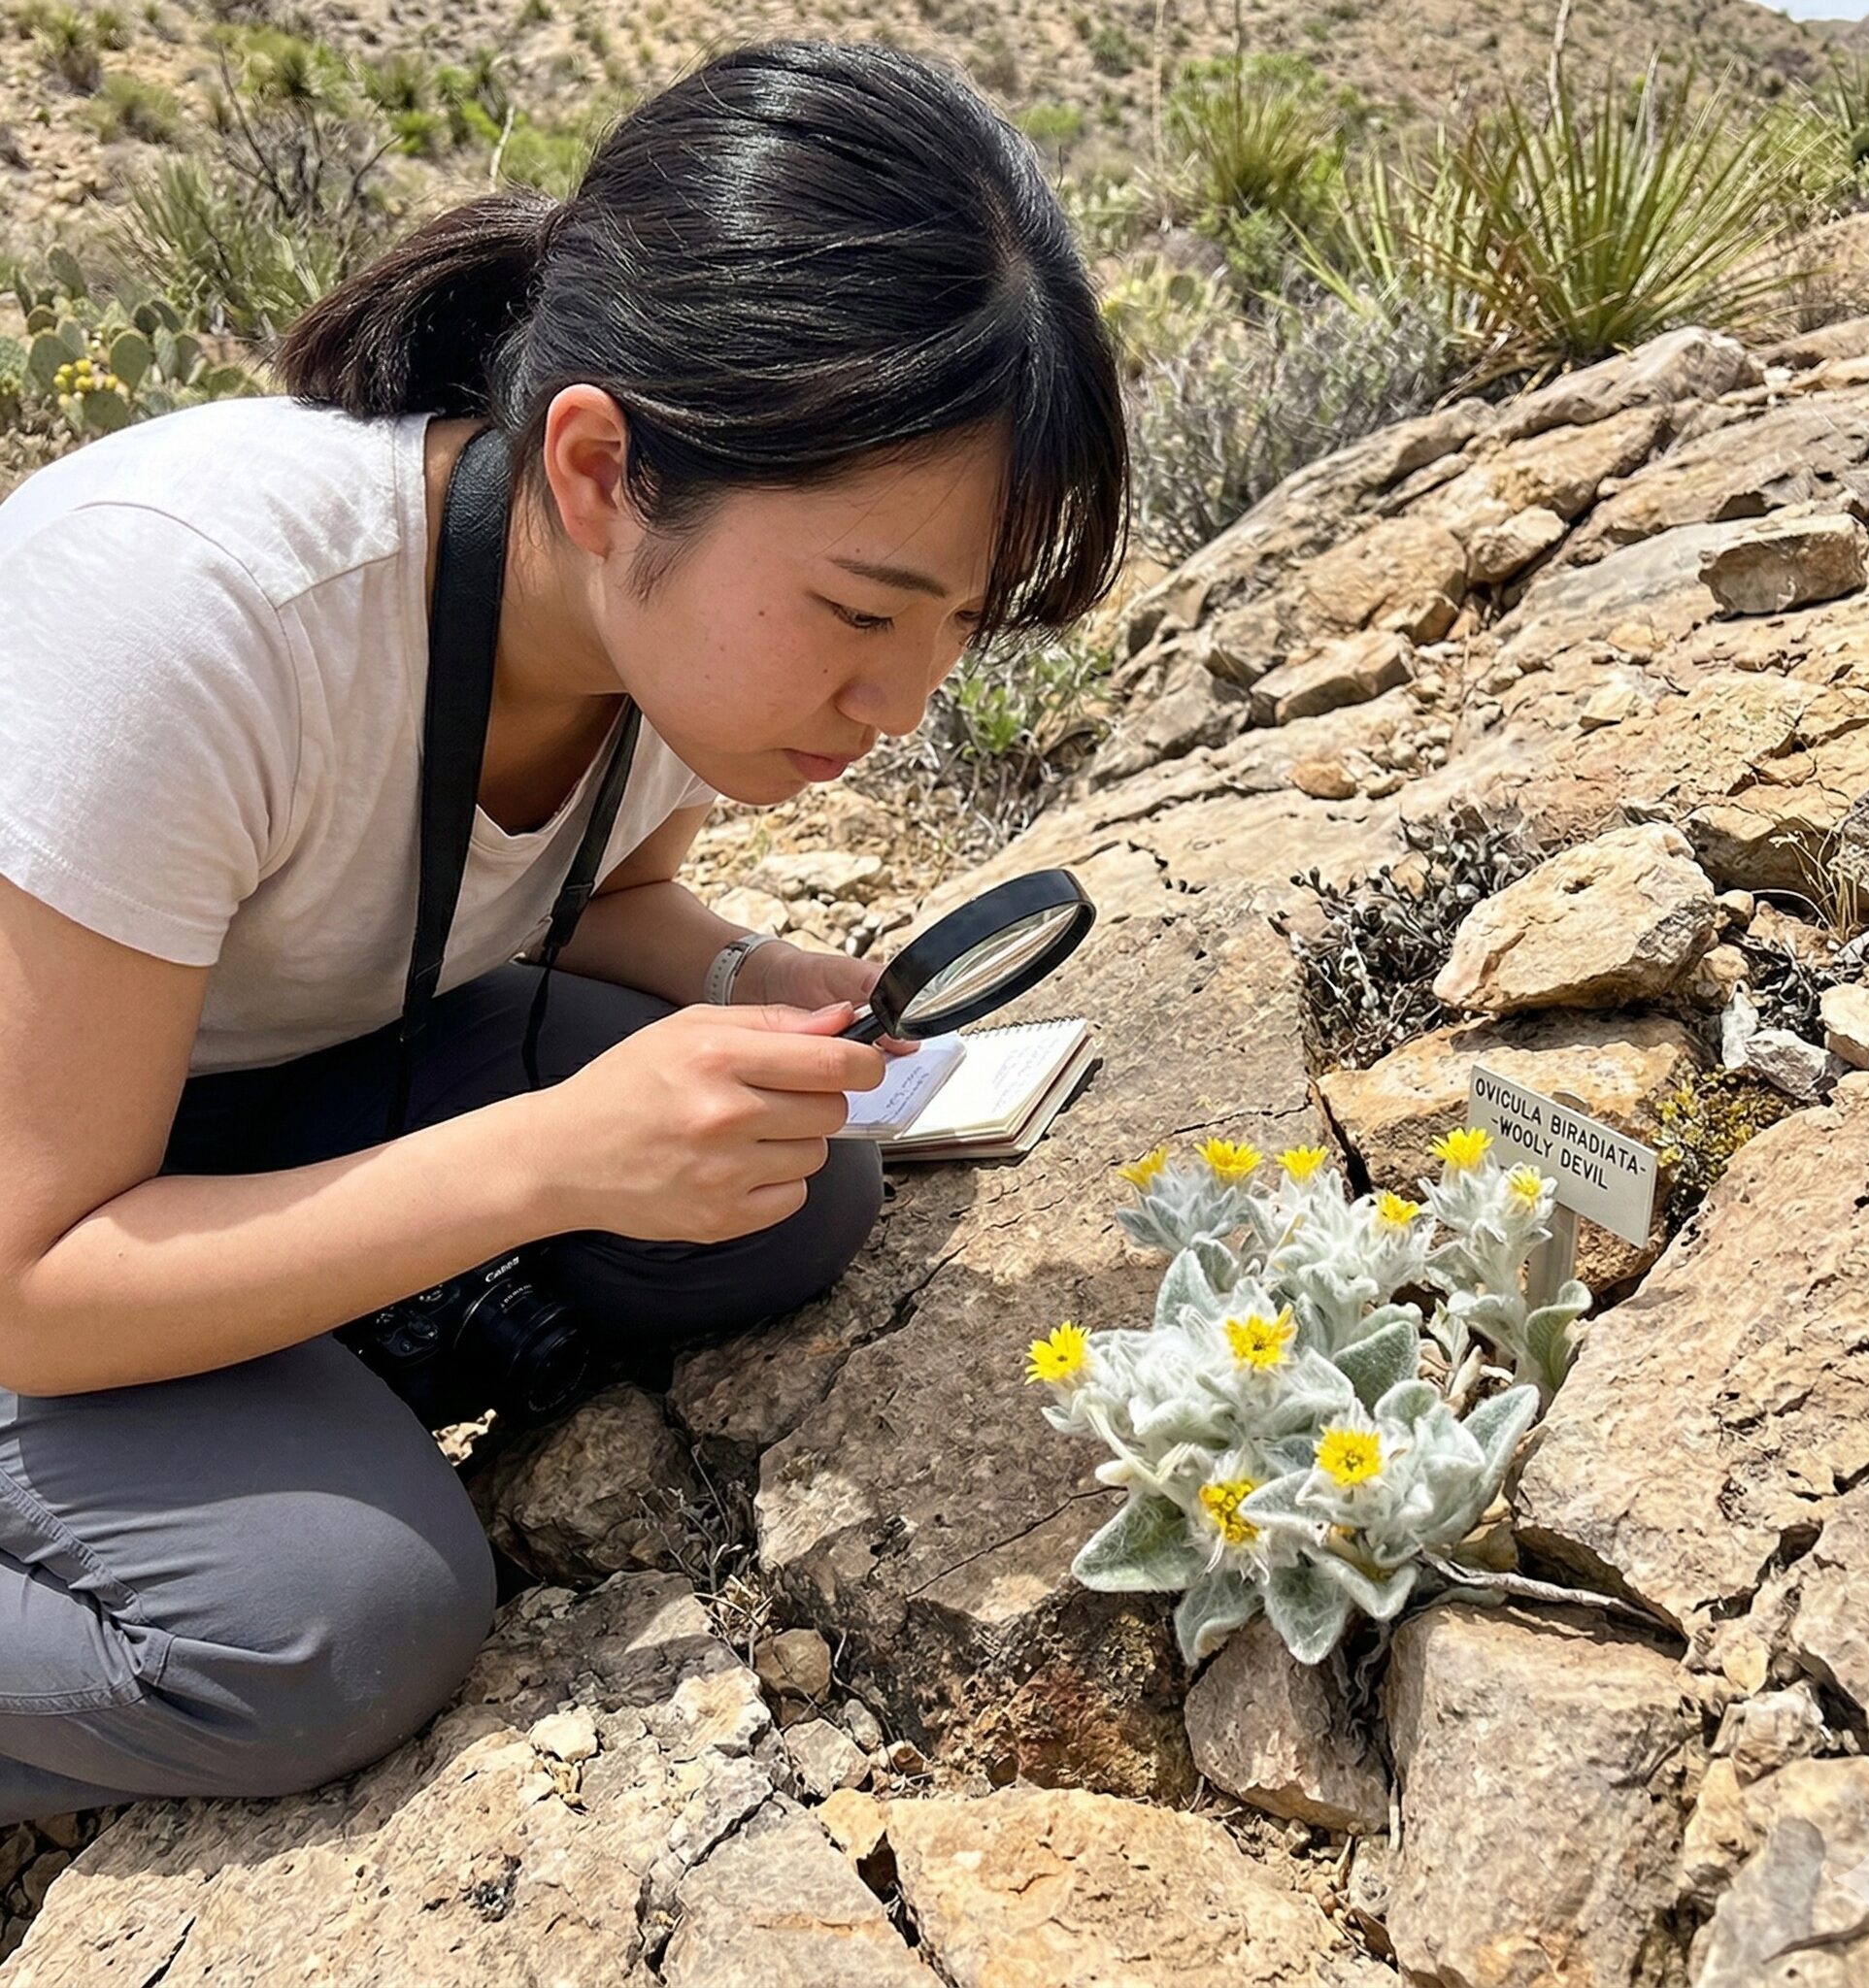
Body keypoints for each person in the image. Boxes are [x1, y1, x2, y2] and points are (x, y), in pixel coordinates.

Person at [0, 39, 1127, 1824]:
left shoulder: (661, 638)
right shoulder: (193, 620)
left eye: (958, 625)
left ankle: (287, 1365)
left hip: (233, 1099)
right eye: (861, 608)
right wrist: (540, 1164)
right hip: (36, 1227)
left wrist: (753, 979)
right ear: (601, 467)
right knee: (338, 1626)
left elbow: (584, 896)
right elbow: (31, 1280)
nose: (903, 702)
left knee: (785, 1192)